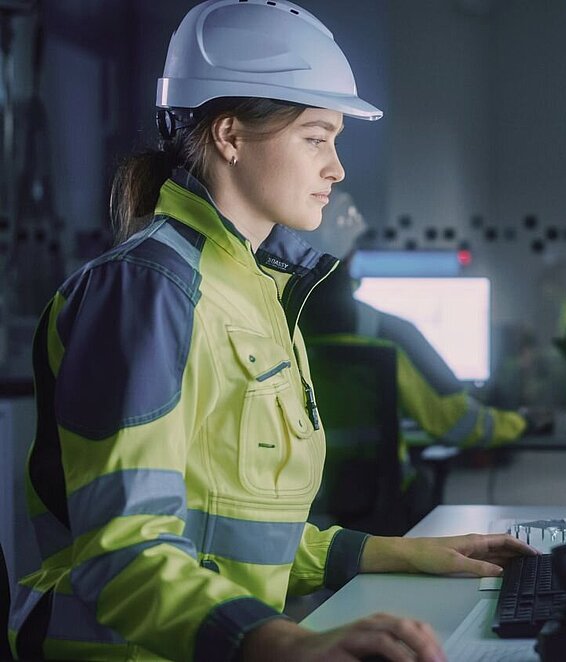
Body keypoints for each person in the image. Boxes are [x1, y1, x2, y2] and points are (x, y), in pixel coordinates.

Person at [9, 2, 534, 660]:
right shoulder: (149, 291)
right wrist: (283, 643)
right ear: (229, 136)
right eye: (316, 137)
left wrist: (402, 552)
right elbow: (126, 551)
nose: (336, 168)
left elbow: (239, 534)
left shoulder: (255, 292)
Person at [300, 197, 544, 526]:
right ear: (350, 256)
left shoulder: (268, 324)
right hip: (375, 518)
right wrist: (522, 422)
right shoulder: (390, 331)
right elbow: (457, 424)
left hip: (294, 515)